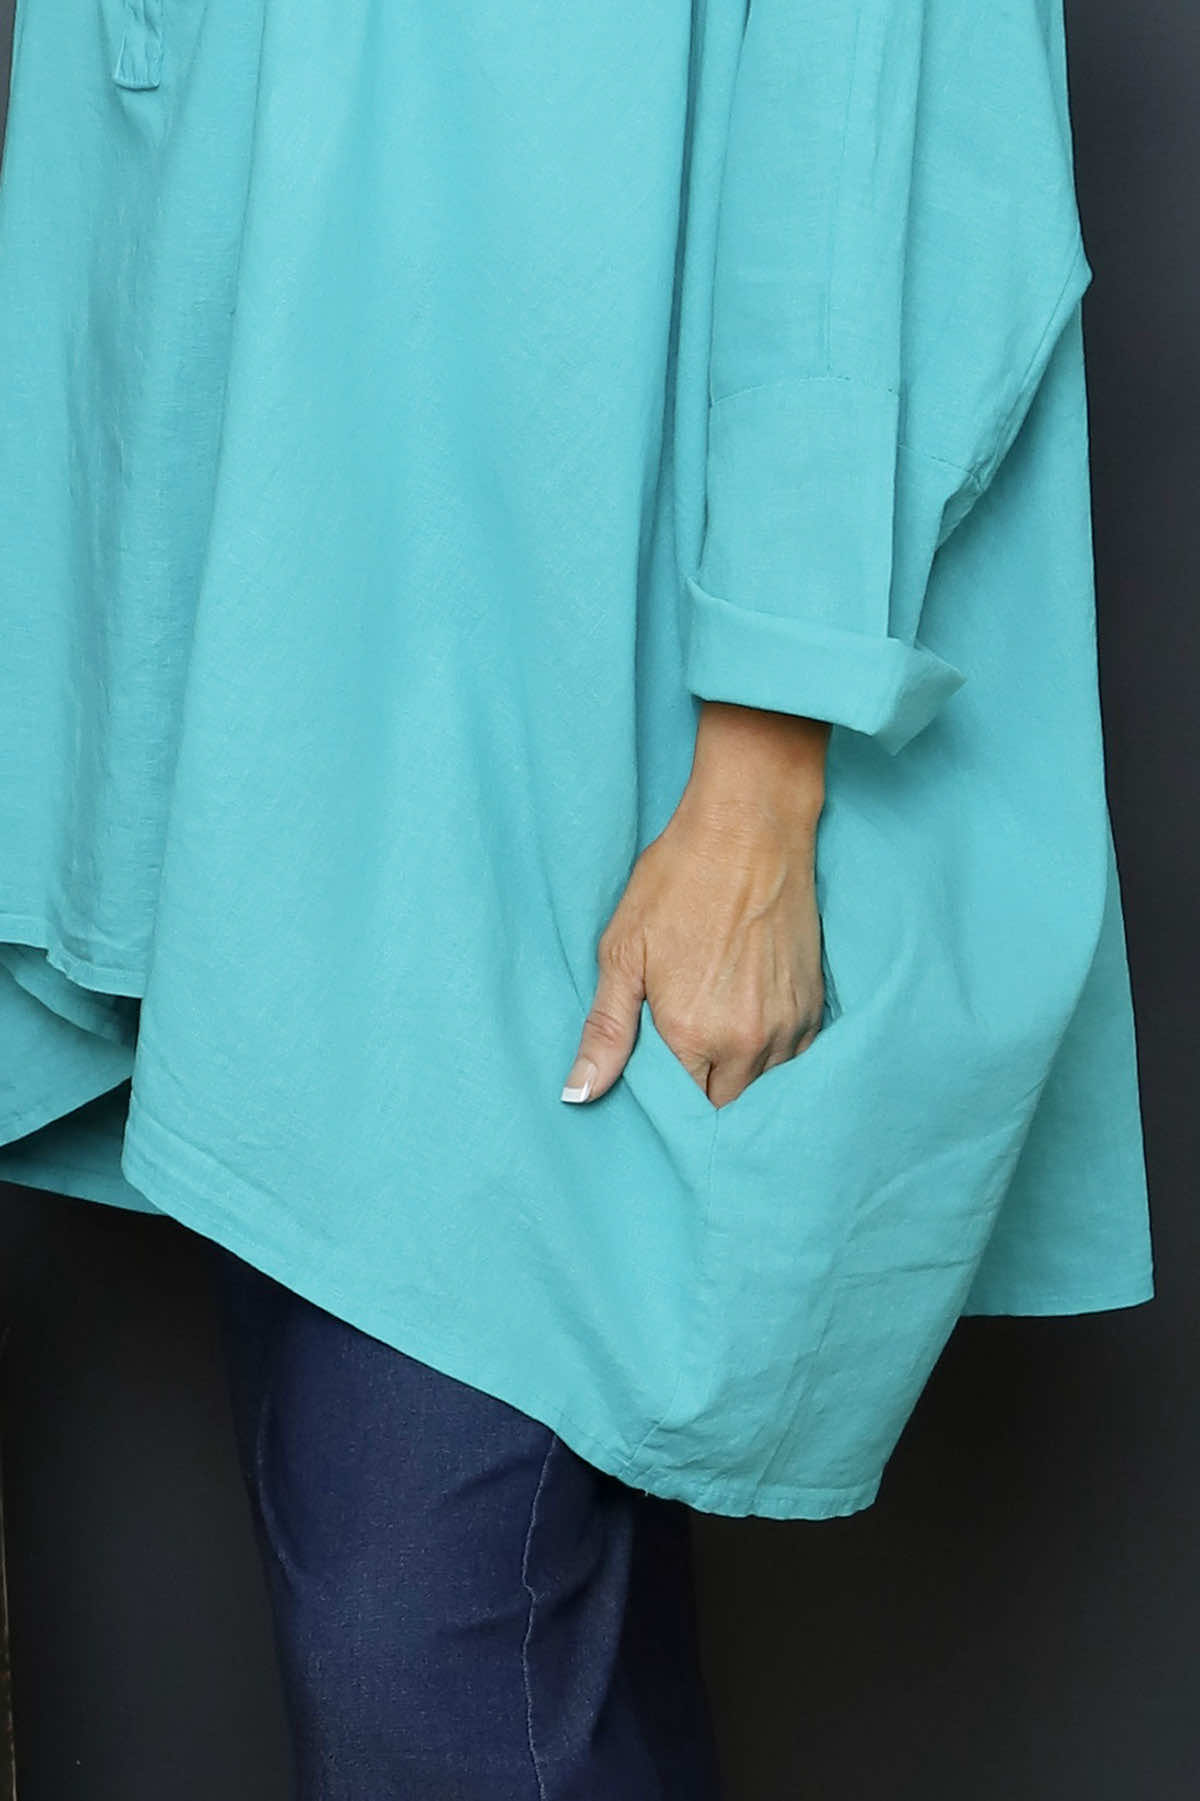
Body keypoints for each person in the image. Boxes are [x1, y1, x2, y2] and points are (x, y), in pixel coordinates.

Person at [0, 0, 1154, 1794]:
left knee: (423, 1633)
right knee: (448, 1644)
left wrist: (764, 759)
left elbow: (873, 77)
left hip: (586, 706)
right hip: (281, 684)